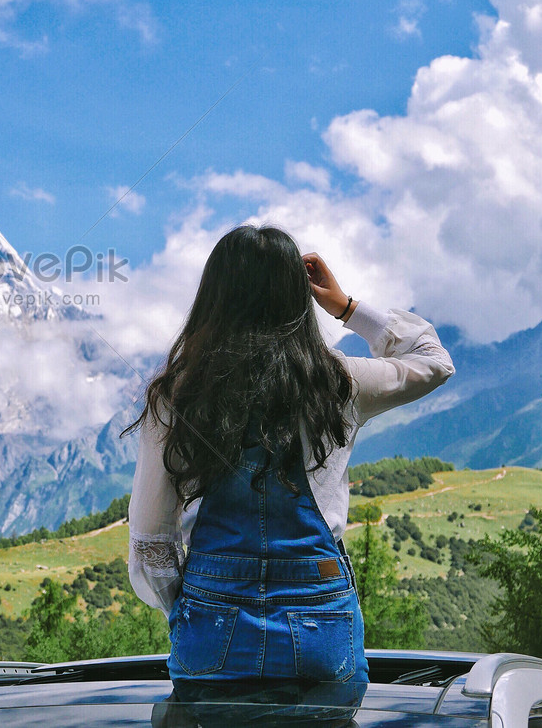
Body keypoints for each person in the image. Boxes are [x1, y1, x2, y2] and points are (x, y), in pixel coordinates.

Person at [126, 224, 454, 695]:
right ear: (296, 299)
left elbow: (151, 541)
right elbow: (433, 361)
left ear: (213, 297)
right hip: (321, 619)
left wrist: (190, 608)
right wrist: (346, 308)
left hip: (210, 624)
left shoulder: (177, 393)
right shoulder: (339, 381)